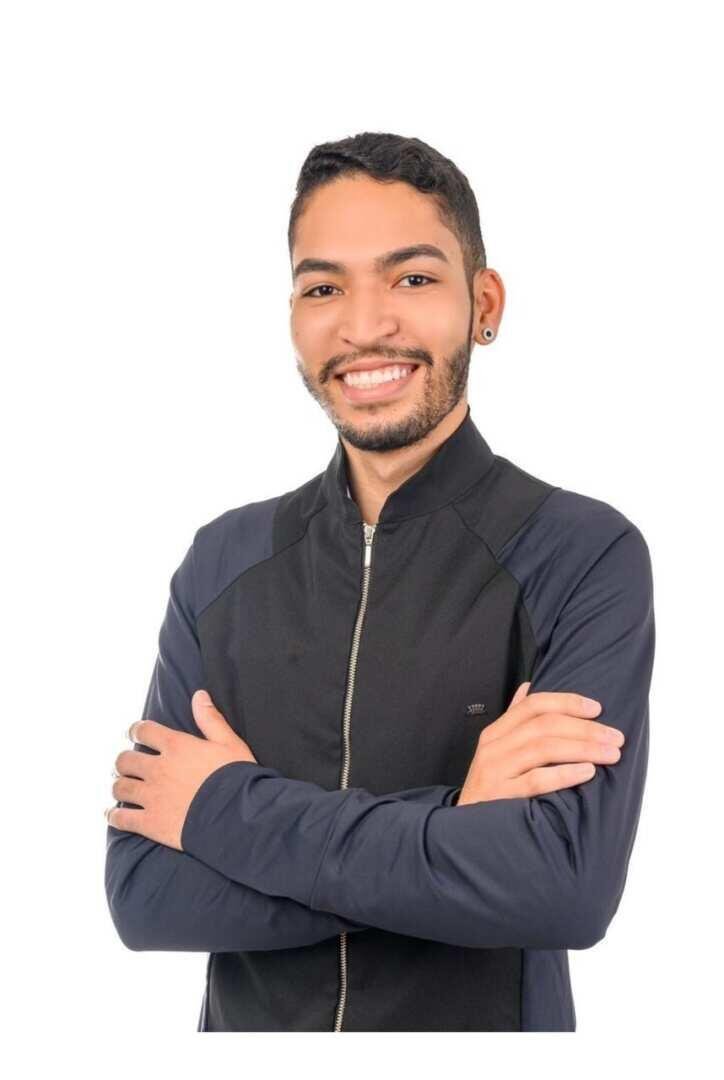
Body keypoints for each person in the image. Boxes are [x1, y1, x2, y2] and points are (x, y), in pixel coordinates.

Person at [104, 131, 655, 1032]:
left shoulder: (581, 552)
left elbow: (561, 887)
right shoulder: (221, 564)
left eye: (412, 278)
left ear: (483, 303)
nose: (364, 326)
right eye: (324, 288)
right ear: (292, 314)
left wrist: (223, 810)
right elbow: (145, 897)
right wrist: (459, 825)